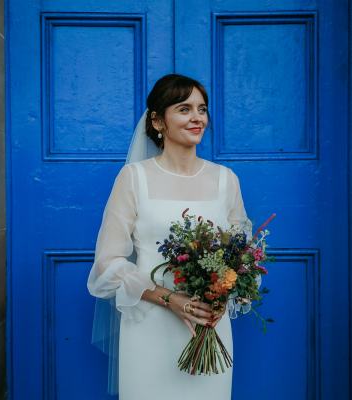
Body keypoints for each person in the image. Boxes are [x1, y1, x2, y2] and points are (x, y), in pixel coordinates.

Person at [87, 74, 253, 400]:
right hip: (151, 324)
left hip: (208, 324)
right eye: (184, 108)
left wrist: (227, 291)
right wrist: (169, 298)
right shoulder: (134, 178)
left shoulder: (226, 180)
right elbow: (108, 263)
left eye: (202, 109)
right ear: (157, 120)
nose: (197, 118)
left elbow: (243, 255)